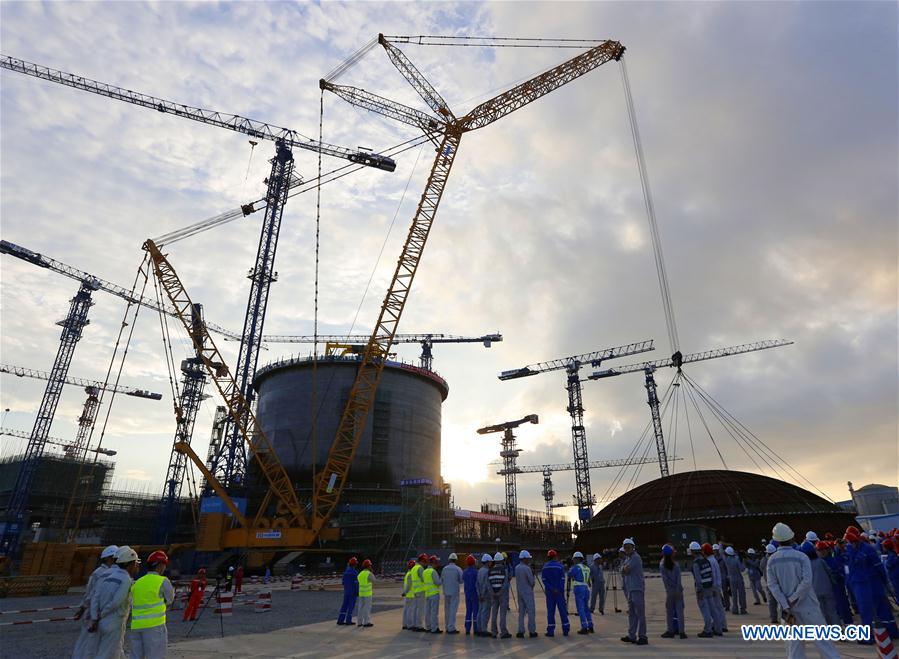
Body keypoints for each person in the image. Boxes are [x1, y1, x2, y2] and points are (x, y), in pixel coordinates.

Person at [766, 522, 840, 659]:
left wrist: (786, 603)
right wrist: (794, 598)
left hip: (787, 610)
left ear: (776, 541)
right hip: (807, 605)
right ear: (792, 538)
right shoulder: (801, 557)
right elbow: (806, 582)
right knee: (823, 642)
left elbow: (772, 586)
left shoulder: (771, 561)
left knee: (794, 645)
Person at [844, 526, 899, 642]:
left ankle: (879, 634)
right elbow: (848, 569)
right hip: (861, 583)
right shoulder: (851, 550)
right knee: (869, 610)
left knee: (874, 609)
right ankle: (883, 633)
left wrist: (883, 580)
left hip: (870, 583)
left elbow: (878, 566)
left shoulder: (866, 549)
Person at [89, 546, 140, 659]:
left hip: (104, 622)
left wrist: (95, 617)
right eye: (136, 564)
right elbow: (116, 602)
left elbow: (95, 598)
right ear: (130, 564)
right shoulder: (126, 580)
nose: (137, 567)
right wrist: (100, 615)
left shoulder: (109, 576)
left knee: (117, 653)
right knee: (106, 655)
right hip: (114, 622)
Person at [73, 544, 118, 659]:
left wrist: (83, 608)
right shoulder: (104, 574)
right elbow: (93, 594)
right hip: (94, 612)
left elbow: (89, 593)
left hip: (91, 610)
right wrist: (89, 611)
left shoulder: (98, 572)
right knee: (90, 644)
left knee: (84, 641)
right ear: (110, 558)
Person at [129, 550, 175, 659]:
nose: (164, 568)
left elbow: (131, 602)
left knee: (136, 656)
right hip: (154, 627)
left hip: (136, 626)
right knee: (156, 655)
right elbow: (170, 599)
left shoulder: (138, 582)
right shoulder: (162, 581)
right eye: (164, 565)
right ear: (159, 565)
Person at [800, 541, 840, 626]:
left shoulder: (805, 565)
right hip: (827, 590)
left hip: (815, 592)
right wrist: (833, 583)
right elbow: (829, 573)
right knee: (832, 611)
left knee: (822, 613)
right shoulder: (821, 561)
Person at [619, 538, 647, 645]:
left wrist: (624, 569)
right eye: (625, 548)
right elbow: (622, 570)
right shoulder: (627, 559)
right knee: (632, 614)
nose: (626, 550)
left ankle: (643, 636)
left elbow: (626, 570)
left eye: (628, 547)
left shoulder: (635, 558)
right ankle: (632, 635)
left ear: (633, 548)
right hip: (630, 589)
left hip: (637, 589)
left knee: (640, 614)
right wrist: (623, 569)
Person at [820, 541, 853, 624]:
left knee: (842, 605)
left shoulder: (833, 560)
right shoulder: (823, 561)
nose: (822, 552)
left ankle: (847, 622)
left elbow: (842, 572)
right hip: (831, 587)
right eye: (820, 550)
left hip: (837, 586)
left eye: (823, 550)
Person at [540, 549, 570, 637]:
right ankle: (566, 629)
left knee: (550, 611)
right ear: (555, 556)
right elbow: (562, 579)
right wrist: (558, 588)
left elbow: (544, 580)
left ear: (548, 557)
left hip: (550, 593)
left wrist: (551, 588)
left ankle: (551, 631)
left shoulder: (545, 567)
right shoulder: (560, 566)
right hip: (559, 592)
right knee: (562, 610)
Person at [690, 541, 717, 638]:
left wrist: (699, 590)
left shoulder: (696, 563)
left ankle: (708, 630)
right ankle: (717, 628)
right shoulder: (707, 561)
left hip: (702, 589)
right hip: (709, 587)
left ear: (693, 551)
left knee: (705, 610)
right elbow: (712, 574)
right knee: (712, 608)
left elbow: (698, 579)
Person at [659, 544, 686, 639]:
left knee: (669, 611)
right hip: (678, 590)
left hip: (670, 590)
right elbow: (679, 578)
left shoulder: (662, 565)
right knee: (680, 611)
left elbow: (665, 579)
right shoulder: (676, 564)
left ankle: (670, 631)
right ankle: (682, 632)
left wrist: (669, 589)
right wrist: (678, 588)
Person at [704, 542, 729, 634]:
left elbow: (712, 575)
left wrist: (712, 587)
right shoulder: (714, 560)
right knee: (719, 607)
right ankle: (723, 625)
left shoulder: (710, 561)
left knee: (715, 608)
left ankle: (718, 625)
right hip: (717, 586)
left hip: (713, 587)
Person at [568, 551, 593, 635]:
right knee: (586, 608)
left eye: (574, 559)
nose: (573, 560)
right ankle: (590, 625)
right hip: (586, 588)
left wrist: (570, 568)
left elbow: (569, 574)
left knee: (580, 608)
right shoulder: (587, 567)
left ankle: (584, 627)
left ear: (577, 558)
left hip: (579, 588)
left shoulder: (576, 567)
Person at [514, 550, 537, 638]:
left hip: (520, 592)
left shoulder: (517, 568)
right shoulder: (527, 568)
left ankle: (520, 631)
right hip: (528, 592)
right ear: (524, 558)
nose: (529, 560)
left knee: (521, 612)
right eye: (528, 558)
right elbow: (532, 582)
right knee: (531, 612)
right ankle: (532, 631)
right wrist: (533, 574)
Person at [488, 552, 511, 638]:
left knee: (494, 613)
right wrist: (500, 592)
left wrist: (493, 593)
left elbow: (488, 584)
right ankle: (503, 631)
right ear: (501, 560)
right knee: (502, 613)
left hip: (493, 595)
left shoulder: (490, 570)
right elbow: (505, 584)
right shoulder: (504, 570)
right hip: (502, 595)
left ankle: (494, 632)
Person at [441, 553, 463, 634]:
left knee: (447, 610)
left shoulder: (444, 569)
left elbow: (442, 579)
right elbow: (461, 580)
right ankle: (451, 627)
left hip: (446, 591)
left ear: (449, 560)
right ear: (456, 560)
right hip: (454, 592)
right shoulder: (458, 569)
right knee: (453, 610)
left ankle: (447, 626)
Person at [724, 546, 747, 614]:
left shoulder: (726, 560)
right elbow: (742, 569)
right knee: (741, 594)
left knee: (734, 595)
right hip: (739, 577)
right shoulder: (737, 559)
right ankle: (743, 609)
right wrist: (742, 561)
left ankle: (735, 609)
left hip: (731, 578)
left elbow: (722, 552)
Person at [423, 555, 443, 633]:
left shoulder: (424, 571)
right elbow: (437, 583)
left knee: (427, 612)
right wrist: (441, 579)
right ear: (433, 563)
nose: (437, 565)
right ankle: (434, 628)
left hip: (427, 594)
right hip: (434, 594)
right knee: (434, 612)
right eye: (436, 563)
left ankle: (428, 627)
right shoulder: (433, 571)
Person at [337, 557, 359, 626]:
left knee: (344, 605)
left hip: (346, 591)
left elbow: (343, 582)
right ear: (355, 564)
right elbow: (356, 583)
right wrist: (357, 591)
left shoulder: (345, 572)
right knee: (351, 606)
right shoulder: (354, 572)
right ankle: (348, 621)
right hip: (352, 591)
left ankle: (340, 620)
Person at [762, 544, 780, 623]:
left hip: (769, 583)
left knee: (771, 602)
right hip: (778, 583)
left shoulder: (764, 560)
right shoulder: (777, 559)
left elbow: (761, 567)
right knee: (782, 602)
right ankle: (785, 619)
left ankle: (774, 618)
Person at [475, 554, 492, 637]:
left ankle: (479, 629)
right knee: (485, 612)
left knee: (480, 611)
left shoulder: (479, 571)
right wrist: (483, 594)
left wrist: (479, 594)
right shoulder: (487, 571)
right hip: (486, 595)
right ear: (488, 562)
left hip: (480, 595)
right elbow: (486, 584)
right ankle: (484, 630)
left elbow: (477, 584)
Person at [462, 555, 479, 635]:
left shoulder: (464, 572)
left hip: (467, 594)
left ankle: (467, 629)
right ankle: (476, 629)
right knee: (475, 611)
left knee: (468, 611)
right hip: (475, 594)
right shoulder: (476, 572)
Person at [411, 553, 428, 632]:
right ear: (421, 561)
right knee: (420, 609)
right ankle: (419, 625)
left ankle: (414, 624)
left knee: (415, 608)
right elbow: (423, 579)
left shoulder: (414, 568)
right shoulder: (420, 568)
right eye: (424, 561)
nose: (425, 563)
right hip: (421, 591)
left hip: (415, 591)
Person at [356, 559, 374, 628]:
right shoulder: (369, 573)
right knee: (367, 607)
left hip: (361, 593)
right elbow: (374, 580)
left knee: (360, 607)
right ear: (369, 566)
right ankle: (366, 622)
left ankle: (359, 622)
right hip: (367, 594)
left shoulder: (360, 574)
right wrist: (371, 572)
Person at [883, 538, 899, 605]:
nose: (883, 548)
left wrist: (885, 561)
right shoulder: (892, 554)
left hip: (896, 577)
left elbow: (888, 565)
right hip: (894, 577)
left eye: (883, 547)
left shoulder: (892, 556)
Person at [401, 559, 416, 630]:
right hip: (411, 595)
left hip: (408, 595)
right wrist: (405, 592)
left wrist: (405, 592)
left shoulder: (407, 574)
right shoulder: (411, 574)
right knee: (410, 610)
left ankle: (405, 624)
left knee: (406, 610)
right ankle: (410, 625)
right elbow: (409, 585)